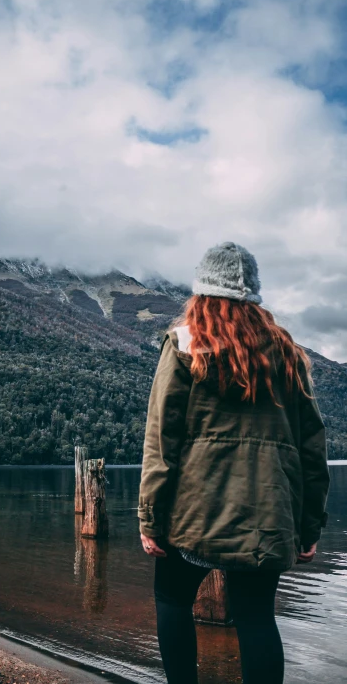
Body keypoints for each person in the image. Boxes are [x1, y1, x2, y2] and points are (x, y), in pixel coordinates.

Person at [138, 242, 330, 684]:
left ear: (201, 292)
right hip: (267, 514)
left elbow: (161, 439)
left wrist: (150, 516)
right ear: (255, 297)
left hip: (191, 512)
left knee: (171, 601)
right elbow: (312, 448)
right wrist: (309, 525)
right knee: (257, 619)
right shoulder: (287, 353)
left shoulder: (184, 344)